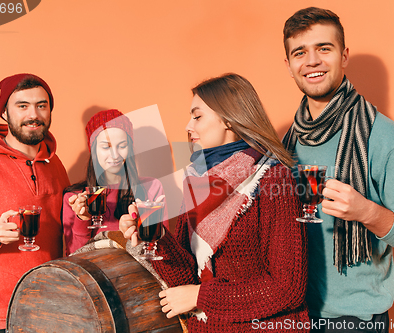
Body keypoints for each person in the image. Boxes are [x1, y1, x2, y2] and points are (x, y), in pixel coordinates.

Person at [281, 7, 394, 332]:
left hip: (354, 322)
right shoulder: (285, 141)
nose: (312, 61)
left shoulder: (383, 136)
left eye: (324, 48)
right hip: (291, 315)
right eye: (300, 52)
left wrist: (367, 211)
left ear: (344, 55)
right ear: (289, 66)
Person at [120, 73, 309, 332]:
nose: (188, 126)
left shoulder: (274, 180)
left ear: (229, 119)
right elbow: (185, 279)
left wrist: (200, 297)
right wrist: (155, 235)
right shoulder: (195, 181)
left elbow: (287, 288)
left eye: (197, 116)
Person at [0, 73, 70, 332]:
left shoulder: (55, 164)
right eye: (22, 106)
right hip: (2, 317)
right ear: (4, 113)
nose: (33, 114)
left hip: (55, 307)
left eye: (41, 105)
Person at [63, 109, 166, 255]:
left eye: (122, 146)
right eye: (106, 147)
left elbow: (163, 250)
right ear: (93, 150)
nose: (115, 155)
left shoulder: (152, 188)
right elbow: (74, 258)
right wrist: (82, 219)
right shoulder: (74, 197)